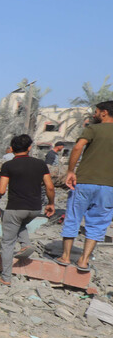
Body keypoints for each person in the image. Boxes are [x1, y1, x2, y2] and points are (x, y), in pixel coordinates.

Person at [55, 101, 113, 271]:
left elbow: (78, 147)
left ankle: (65, 257)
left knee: (73, 216)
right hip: (109, 187)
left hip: (84, 181)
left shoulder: (93, 129)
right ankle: (83, 261)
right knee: (98, 223)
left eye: (96, 112)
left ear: (104, 113)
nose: (94, 115)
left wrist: (71, 171)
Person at [0, 134, 55, 286]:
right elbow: (49, 186)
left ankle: (6, 277)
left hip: (15, 207)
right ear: (29, 148)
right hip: (35, 208)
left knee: (8, 243)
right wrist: (51, 203)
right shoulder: (40, 164)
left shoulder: (8, 166)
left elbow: (2, 190)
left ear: (12, 148)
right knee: (21, 224)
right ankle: (25, 244)